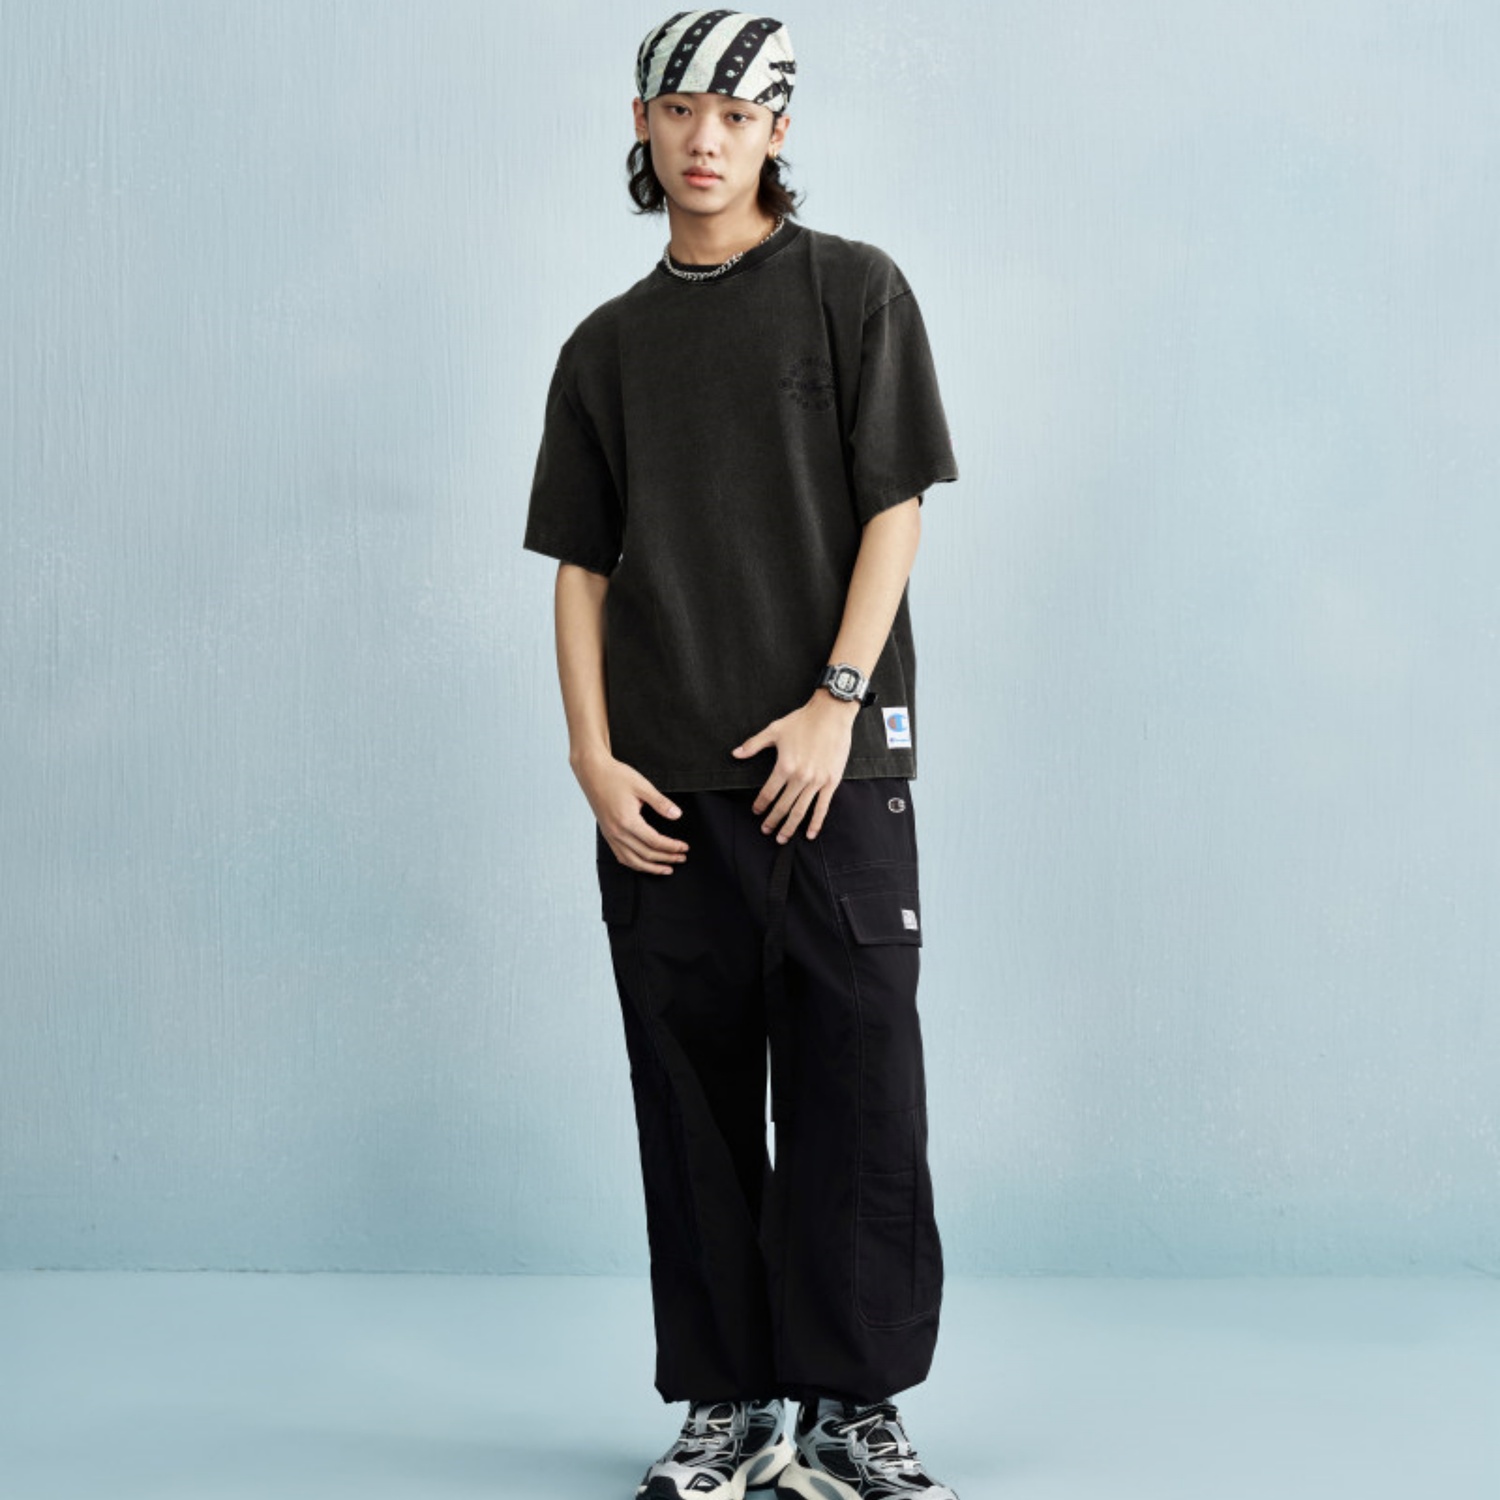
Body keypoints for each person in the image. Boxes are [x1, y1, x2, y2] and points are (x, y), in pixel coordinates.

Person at [522, 11, 962, 1497]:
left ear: (779, 130)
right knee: (691, 1103)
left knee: (861, 1087)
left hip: (837, 771)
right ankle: (729, 1407)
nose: (703, 138)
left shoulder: (853, 291)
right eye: (677, 110)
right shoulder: (605, 348)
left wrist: (839, 699)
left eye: (734, 112)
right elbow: (580, 569)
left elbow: (894, 506)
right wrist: (590, 756)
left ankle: (852, 1410)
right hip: (661, 790)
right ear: (642, 129)